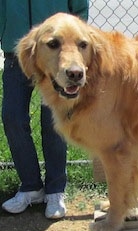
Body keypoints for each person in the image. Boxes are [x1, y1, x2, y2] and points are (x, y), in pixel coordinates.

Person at [0, 0, 89, 219]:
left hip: (55, 56)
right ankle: (31, 187)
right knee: (12, 117)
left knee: (53, 122)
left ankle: (55, 190)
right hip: (18, 52)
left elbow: (79, 8)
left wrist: (70, 46)